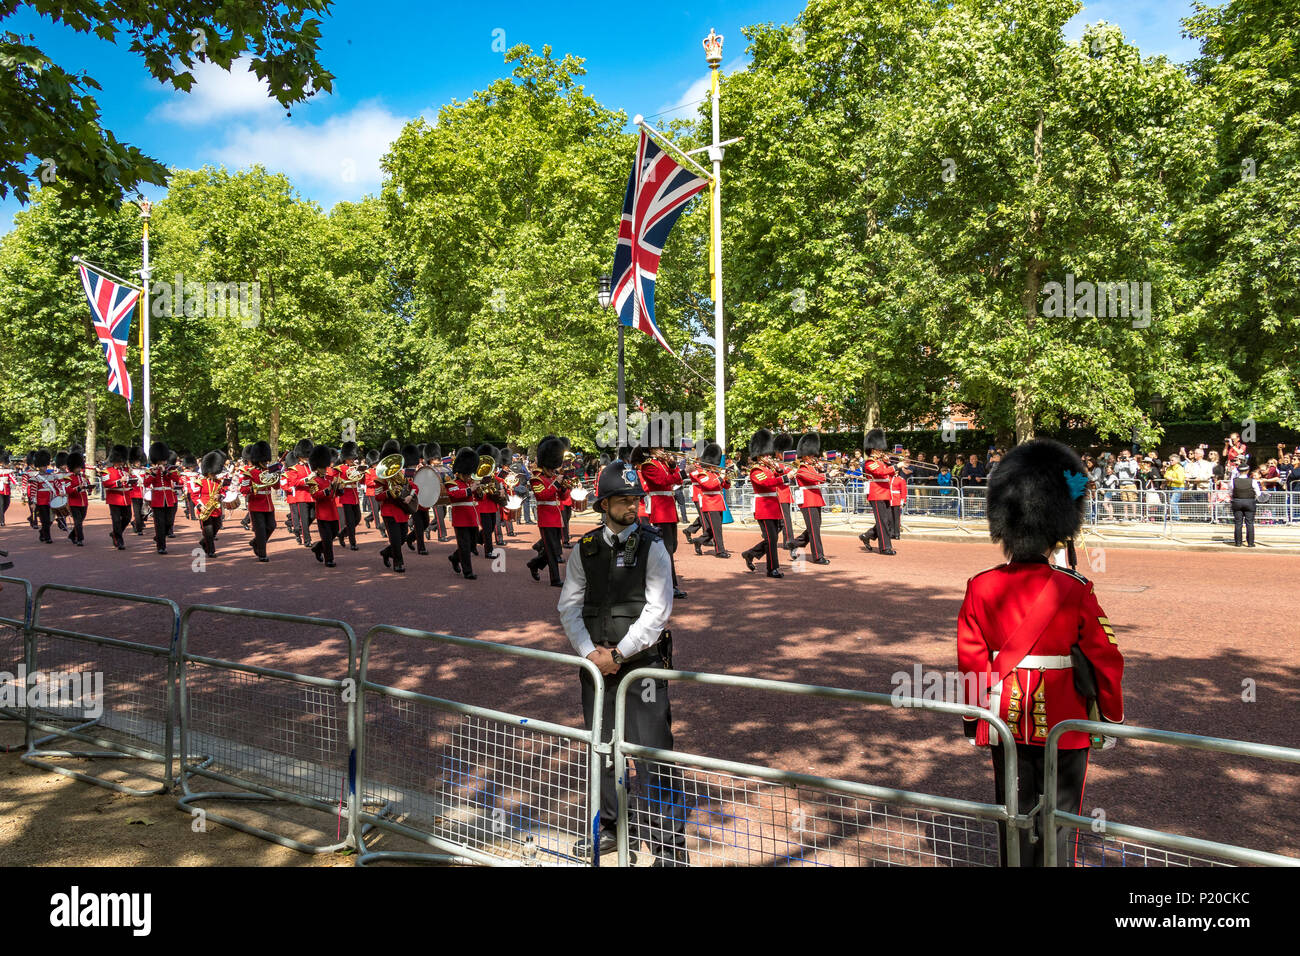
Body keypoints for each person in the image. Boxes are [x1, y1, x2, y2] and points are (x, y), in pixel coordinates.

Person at [957, 438, 1125, 867]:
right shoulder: (1075, 589)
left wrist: (973, 714)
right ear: (1056, 528)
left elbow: (972, 658)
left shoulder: (981, 585)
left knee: (1011, 812)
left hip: (1004, 715)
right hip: (1065, 717)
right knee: (1060, 817)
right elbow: (1105, 656)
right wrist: (1109, 711)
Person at [558, 459, 687, 866]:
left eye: (636, 499)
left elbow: (657, 610)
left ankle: (668, 846)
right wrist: (590, 655)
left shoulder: (653, 545)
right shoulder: (586, 547)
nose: (633, 506)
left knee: (653, 753)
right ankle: (613, 829)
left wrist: (618, 654)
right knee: (604, 750)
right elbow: (569, 606)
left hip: (641, 666)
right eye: (624, 500)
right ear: (604, 504)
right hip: (596, 665)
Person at [633, 443, 687, 599]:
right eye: (660, 448)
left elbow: (676, 482)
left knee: (672, 546)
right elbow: (662, 482)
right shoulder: (648, 466)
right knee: (667, 550)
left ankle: (654, 579)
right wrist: (682, 473)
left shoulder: (663, 463)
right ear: (651, 449)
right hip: (660, 509)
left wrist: (673, 466)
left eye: (663, 448)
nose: (663, 450)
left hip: (669, 508)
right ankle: (671, 585)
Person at [741, 429, 786, 578]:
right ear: (759, 456)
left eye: (769, 454)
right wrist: (782, 478)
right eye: (766, 454)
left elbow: (776, 478)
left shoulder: (768, 468)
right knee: (771, 539)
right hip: (764, 507)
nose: (769, 456)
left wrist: (778, 470)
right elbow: (767, 483)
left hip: (773, 506)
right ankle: (772, 568)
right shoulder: (756, 470)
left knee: (774, 535)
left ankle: (751, 553)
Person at [526, 436, 567, 586]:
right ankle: (555, 579)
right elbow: (542, 495)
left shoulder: (553, 477)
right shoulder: (536, 479)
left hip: (556, 517)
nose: (552, 470)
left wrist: (563, 488)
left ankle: (534, 564)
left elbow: (562, 497)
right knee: (552, 552)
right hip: (546, 518)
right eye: (550, 467)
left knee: (555, 550)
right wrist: (556, 483)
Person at [788, 432, 829, 564]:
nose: (814, 457)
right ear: (805, 455)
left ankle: (794, 543)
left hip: (816, 498)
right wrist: (825, 475)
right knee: (814, 529)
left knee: (815, 527)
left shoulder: (812, 467)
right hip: (808, 499)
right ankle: (818, 556)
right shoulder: (801, 468)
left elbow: (818, 479)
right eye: (811, 455)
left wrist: (823, 471)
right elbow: (812, 478)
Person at [445, 447, 485, 579]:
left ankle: (455, 558)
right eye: (467, 473)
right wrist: (470, 489)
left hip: (472, 519)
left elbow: (478, 498)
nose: (469, 476)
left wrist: (479, 492)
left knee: (471, 544)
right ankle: (468, 572)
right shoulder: (452, 483)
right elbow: (455, 495)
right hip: (461, 519)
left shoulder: (470, 482)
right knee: (465, 546)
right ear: (461, 472)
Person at [689, 442, 731, 559]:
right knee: (717, 530)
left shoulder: (715, 473)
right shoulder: (703, 474)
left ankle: (699, 540)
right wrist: (720, 478)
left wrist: (726, 481)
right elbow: (709, 486)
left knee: (714, 529)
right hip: (710, 503)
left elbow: (724, 486)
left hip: (719, 502)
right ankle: (720, 551)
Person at [858, 429, 897, 554]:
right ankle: (885, 547)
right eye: (879, 450)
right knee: (883, 521)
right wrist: (895, 466)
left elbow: (888, 472)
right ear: (873, 450)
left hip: (884, 492)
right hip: (876, 494)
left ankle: (867, 535)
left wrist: (889, 463)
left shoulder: (880, 462)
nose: (881, 452)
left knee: (888, 520)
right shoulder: (870, 462)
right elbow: (880, 473)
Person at [242, 441, 277, 563]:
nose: (266, 463)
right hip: (256, 505)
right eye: (264, 461)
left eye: (267, 461)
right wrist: (254, 488)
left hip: (268, 504)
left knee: (272, 526)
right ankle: (262, 553)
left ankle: (255, 542)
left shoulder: (269, 471)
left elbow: (276, 487)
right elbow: (244, 489)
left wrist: (277, 475)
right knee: (261, 530)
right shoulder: (250, 473)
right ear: (258, 460)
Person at [196, 450, 226, 557]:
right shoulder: (200, 481)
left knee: (217, 526)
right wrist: (200, 506)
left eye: (215, 472)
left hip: (216, 509)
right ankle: (211, 551)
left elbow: (223, 492)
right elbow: (194, 496)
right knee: (208, 531)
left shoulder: (218, 482)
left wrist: (220, 496)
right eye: (212, 472)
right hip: (204, 508)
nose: (214, 474)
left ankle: (204, 542)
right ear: (207, 471)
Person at [1230, 464, 1262, 547]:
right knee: (1250, 523)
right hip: (1249, 502)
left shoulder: (1233, 481)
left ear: (1238, 471)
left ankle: (1238, 542)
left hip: (1237, 502)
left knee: (1238, 523)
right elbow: (1258, 493)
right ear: (1248, 471)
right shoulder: (1252, 481)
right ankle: (1250, 543)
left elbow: (1230, 492)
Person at [64, 450, 89, 546]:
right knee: (78, 522)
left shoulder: (84, 476)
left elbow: (88, 485)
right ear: (72, 468)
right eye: (77, 467)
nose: (79, 469)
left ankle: (72, 535)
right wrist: (79, 488)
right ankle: (80, 539)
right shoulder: (68, 478)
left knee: (80, 520)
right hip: (74, 502)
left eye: (80, 467)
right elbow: (69, 491)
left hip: (84, 502)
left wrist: (89, 488)